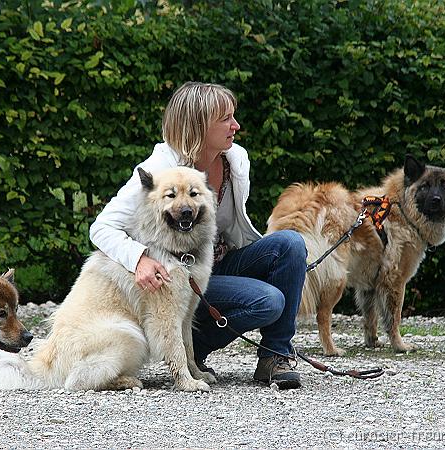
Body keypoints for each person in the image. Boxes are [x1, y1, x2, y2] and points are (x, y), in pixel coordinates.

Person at [90, 81, 307, 389]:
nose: (236, 125)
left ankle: (275, 356)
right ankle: (190, 351)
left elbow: (231, 229)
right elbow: (101, 228)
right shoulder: (159, 168)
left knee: (289, 245)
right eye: (226, 119)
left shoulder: (235, 159)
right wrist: (139, 260)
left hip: (214, 262)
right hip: (177, 275)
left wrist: (280, 268)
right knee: (267, 301)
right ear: (198, 125)